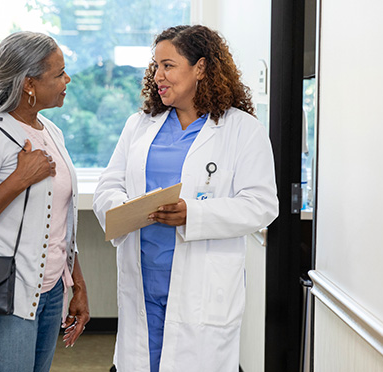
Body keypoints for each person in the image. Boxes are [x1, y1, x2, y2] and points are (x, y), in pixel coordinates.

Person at [93, 25, 279, 372]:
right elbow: (109, 184)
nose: (157, 75)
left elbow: (262, 205)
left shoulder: (241, 130)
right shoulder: (140, 125)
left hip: (202, 286)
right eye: (156, 66)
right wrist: (122, 207)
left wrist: (192, 214)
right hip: (144, 277)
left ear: (201, 68)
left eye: (168, 65)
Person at [0, 31, 90, 372]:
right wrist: (19, 180)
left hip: (51, 291)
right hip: (2, 293)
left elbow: (59, 222)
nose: (68, 79)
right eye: (58, 73)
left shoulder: (51, 131)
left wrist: (77, 284)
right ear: (29, 84)